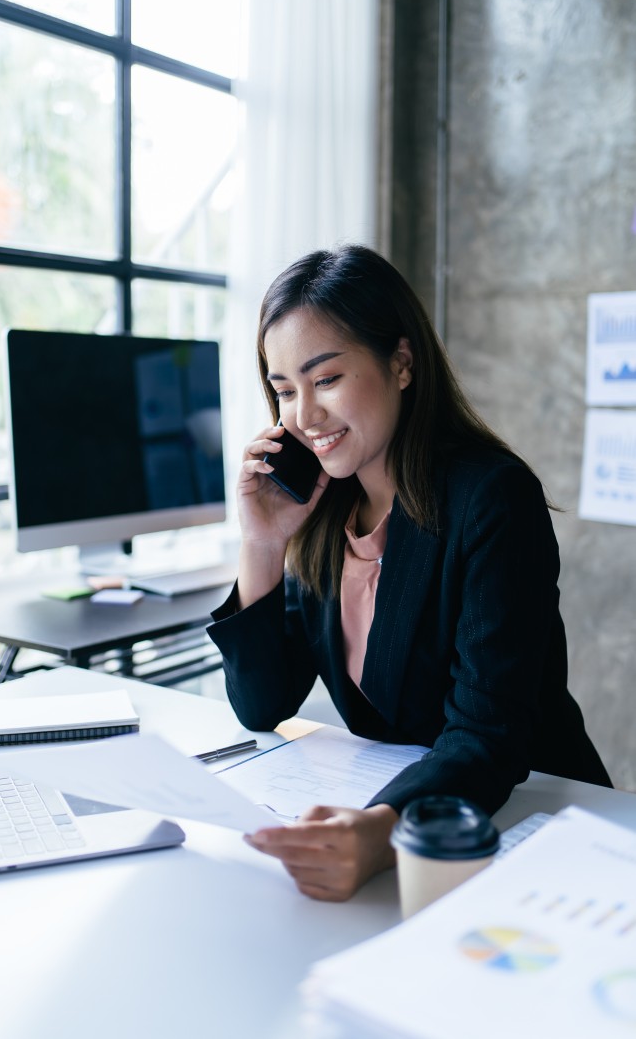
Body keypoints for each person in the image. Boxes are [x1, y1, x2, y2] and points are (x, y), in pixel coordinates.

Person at [207, 244, 611, 902]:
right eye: (284, 391)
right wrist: (261, 544)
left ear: (400, 362)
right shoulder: (319, 511)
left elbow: (486, 736)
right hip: (393, 809)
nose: (303, 416)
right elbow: (261, 705)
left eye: (326, 379)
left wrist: (382, 832)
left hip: (526, 822)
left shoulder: (491, 498)